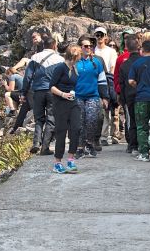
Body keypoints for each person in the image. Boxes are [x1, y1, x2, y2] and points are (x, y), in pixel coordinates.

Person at [23, 34, 63, 154]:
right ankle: (45, 148)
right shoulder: (60, 59)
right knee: (51, 118)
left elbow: (27, 77)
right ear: (55, 46)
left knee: (39, 119)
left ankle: (36, 142)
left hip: (38, 91)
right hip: (53, 92)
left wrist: (23, 92)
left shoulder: (34, 57)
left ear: (43, 45)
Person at [48, 45, 84, 174]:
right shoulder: (60, 67)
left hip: (72, 101)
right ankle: (57, 162)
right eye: (79, 56)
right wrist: (63, 94)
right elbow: (51, 86)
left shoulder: (74, 68)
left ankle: (70, 159)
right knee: (61, 131)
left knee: (76, 128)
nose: (80, 59)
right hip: (60, 102)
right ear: (74, 56)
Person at [72, 39, 110, 157]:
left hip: (93, 96)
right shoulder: (75, 62)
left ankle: (90, 143)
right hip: (77, 96)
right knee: (79, 122)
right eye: (86, 46)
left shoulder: (96, 62)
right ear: (80, 48)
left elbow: (102, 81)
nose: (88, 48)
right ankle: (79, 147)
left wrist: (105, 97)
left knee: (92, 120)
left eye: (90, 46)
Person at [93, 28, 120, 144]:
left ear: (105, 36)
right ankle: (103, 136)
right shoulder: (93, 50)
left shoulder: (111, 51)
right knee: (103, 111)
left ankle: (114, 134)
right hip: (96, 80)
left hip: (108, 78)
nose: (99, 37)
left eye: (101, 35)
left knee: (113, 110)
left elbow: (112, 67)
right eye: (97, 35)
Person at [116, 34, 141, 153]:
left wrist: (121, 96)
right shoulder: (143, 61)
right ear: (139, 45)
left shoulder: (124, 63)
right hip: (143, 95)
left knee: (131, 121)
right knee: (143, 120)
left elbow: (121, 83)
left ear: (126, 46)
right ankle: (143, 143)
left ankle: (133, 145)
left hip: (129, 96)